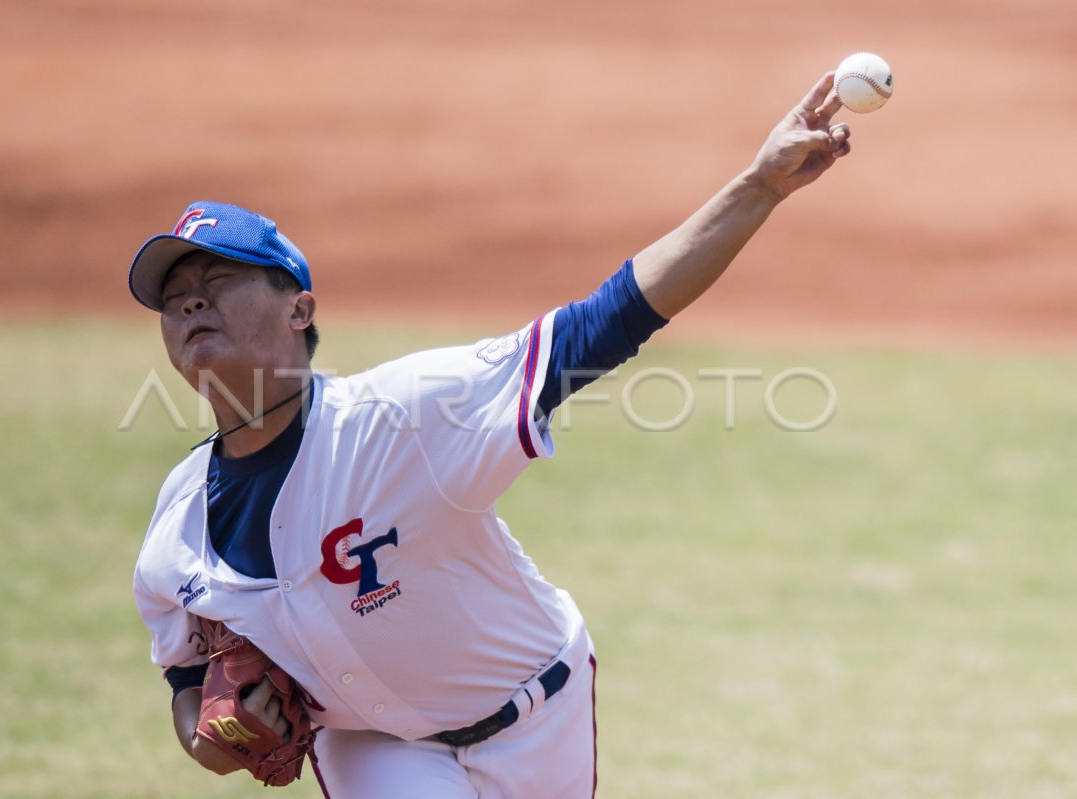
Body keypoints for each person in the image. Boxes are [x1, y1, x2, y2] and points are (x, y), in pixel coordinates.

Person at [130, 72, 852, 797]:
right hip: (374, 746)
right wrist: (207, 739)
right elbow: (187, 679)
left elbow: (605, 322)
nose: (190, 301)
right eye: (174, 296)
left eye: (218, 280)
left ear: (299, 310)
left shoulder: (404, 417)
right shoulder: (178, 532)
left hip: (539, 713)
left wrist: (760, 186)